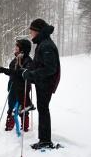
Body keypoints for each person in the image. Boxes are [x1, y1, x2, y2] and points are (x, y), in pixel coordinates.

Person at [19, 19, 61, 149]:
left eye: (32, 31)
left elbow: (50, 68)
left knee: (43, 110)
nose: (30, 33)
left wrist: (31, 75)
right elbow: (39, 64)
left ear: (38, 31)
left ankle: (45, 140)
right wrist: (28, 70)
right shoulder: (42, 43)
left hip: (45, 84)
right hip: (42, 82)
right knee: (43, 109)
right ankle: (44, 139)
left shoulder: (46, 45)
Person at [0, 39, 35, 132]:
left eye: (17, 46)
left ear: (22, 49)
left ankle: (25, 127)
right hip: (13, 86)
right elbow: (12, 71)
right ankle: (9, 125)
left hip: (22, 88)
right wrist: (4, 70)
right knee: (11, 105)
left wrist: (6, 71)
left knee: (23, 106)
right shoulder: (15, 59)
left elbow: (21, 73)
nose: (15, 48)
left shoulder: (28, 60)